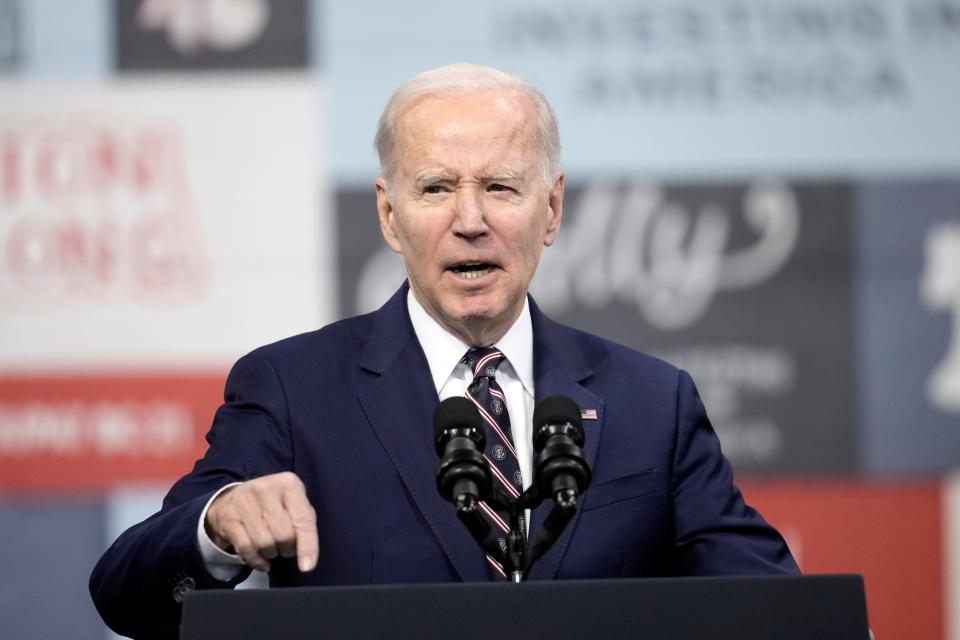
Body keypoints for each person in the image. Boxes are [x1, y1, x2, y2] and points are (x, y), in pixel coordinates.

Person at [90, 63, 799, 638]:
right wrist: (217, 523)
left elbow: (780, 611)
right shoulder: (291, 388)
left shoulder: (651, 400)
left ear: (551, 210)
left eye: (499, 187)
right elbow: (127, 594)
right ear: (389, 214)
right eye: (435, 188)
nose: (470, 221)